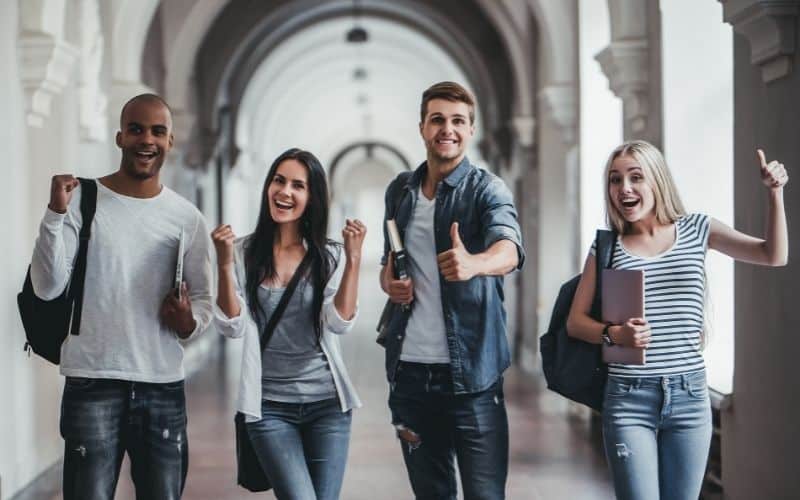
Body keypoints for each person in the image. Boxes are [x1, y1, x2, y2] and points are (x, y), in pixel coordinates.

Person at [567, 140, 789, 500]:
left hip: (689, 396)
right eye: (615, 179)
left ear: (657, 180)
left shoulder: (698, 229)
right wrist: (614, 334)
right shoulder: (607, 246)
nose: (624, 188)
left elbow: (773, 254)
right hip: (628, 398)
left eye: (635, 177)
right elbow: (575, 323)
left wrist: (775, 194)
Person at [30, 94, 214, 500]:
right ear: (119, 136)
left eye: (157, 131)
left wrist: (186, 318)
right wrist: (54, 214)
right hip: (93, 380)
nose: (146, 139)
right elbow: (47, 287)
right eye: (136, 129)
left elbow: (203, 304)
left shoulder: (186, 217)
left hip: (161, 384)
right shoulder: (83, 200)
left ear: (170, 142)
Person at [379, 81, 524, 500]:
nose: (448, 128)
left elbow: (510, 249)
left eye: (458, 121)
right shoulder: (400, 191)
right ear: (422, 127)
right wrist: (389, 284)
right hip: (409, 377)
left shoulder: (487, 189)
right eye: (438, 119)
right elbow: (389, 265)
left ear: (471, 130)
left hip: (473, 379)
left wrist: (475, 264)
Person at [211, 148, 365, 500]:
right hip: (268, 409)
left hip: (328, 406)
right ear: (267, 186)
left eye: (299, 185)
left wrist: (354, 259)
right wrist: (222, 265)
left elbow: (339, 323)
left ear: (311, 198)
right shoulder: (242, 253)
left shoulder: (330, 256)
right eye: (279, 181)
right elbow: (231, 326)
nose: (285, 192)